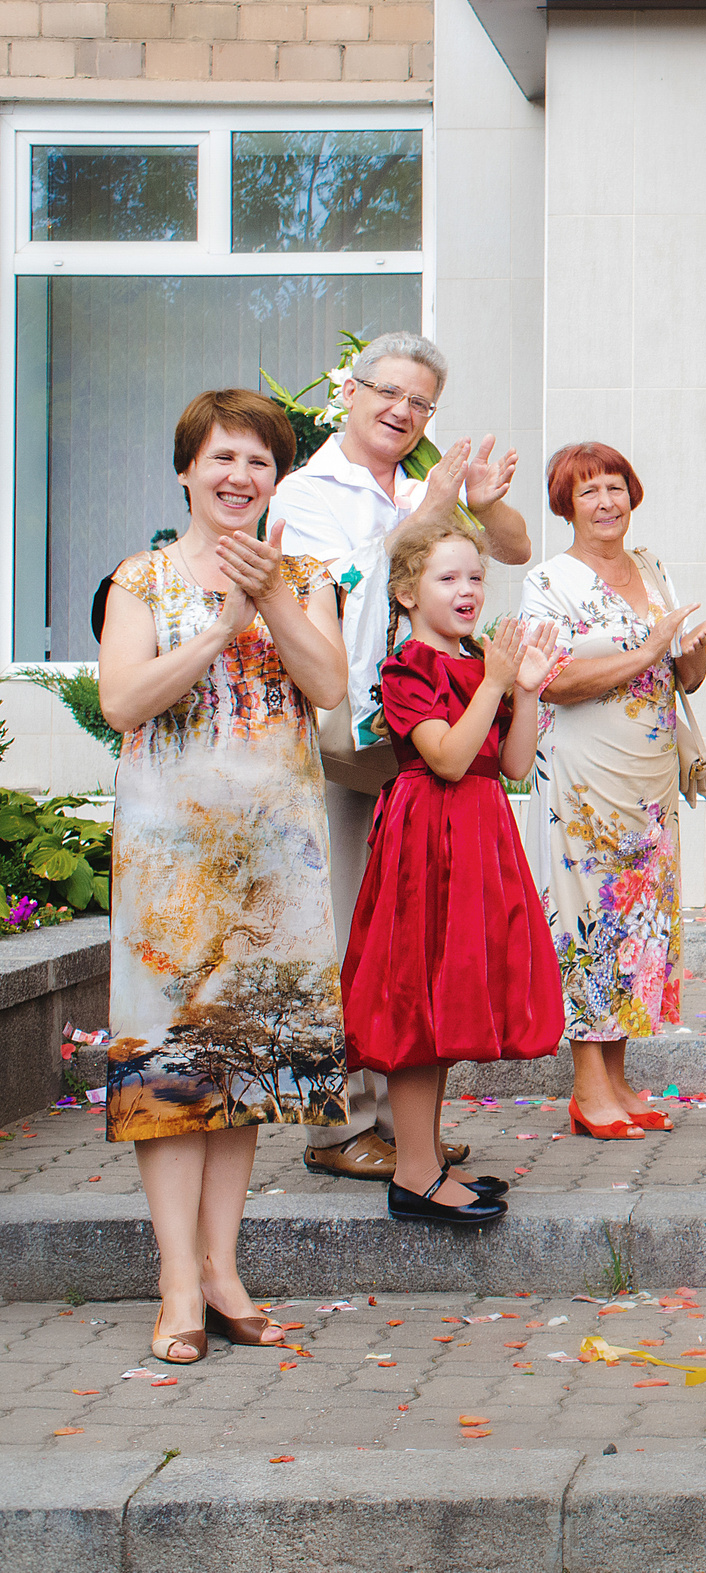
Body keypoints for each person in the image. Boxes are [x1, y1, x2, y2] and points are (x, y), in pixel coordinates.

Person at [96, 389, 350, 1362]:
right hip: (172, 863)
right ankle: (175, 1281)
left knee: (245, 1069)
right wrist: (216, 629)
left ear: (276, 479)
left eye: (259, 461)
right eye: (223, 458)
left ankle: (224, 1267)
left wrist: (272, 600)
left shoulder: (307, 576)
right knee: (172, 1073)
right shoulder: (142, 579)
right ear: (186, 470)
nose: (240, 476)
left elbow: (329, 690)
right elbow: (123, 700)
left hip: (273, 861)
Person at [273, 332, 533, 1183]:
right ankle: (339, 1123)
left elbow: (510, 548)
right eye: (390, 392)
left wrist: (482, 504)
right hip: (350, 732)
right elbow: (347, 578)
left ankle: (404, 1129)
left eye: (421, 402)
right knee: (350, 923)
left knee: (409, 933)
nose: (403, 411)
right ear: (350, 389)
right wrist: (432, 513)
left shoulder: (425, 485)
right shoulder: (308, 490)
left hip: (420, 747)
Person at [339, 514, 565, 1224]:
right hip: (426, 839)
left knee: (446, 999)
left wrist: (523, 687)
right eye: (448, 577)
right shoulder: (408, 665)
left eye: (475, 576)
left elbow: (514, 764)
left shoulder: (478, 665)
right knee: (416, 1000)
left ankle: (426, 1161)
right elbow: (445, 755)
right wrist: (494, 684)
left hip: (476, 833)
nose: (467, 590)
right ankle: (413, 1173)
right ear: (407, 592)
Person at [519, 445, 706, 1138]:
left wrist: (689, 649)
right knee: (591, 919)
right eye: (590, 491)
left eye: (616, 487)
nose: (606, 501)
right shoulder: (550, 581)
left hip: (650, 775)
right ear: (567, 504)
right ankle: (586, 1086)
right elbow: (550, 680)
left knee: (639, 923)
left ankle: (618, 1076)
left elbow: (682, 678)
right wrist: (647, 651)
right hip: (586, 774)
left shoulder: (653, 567)